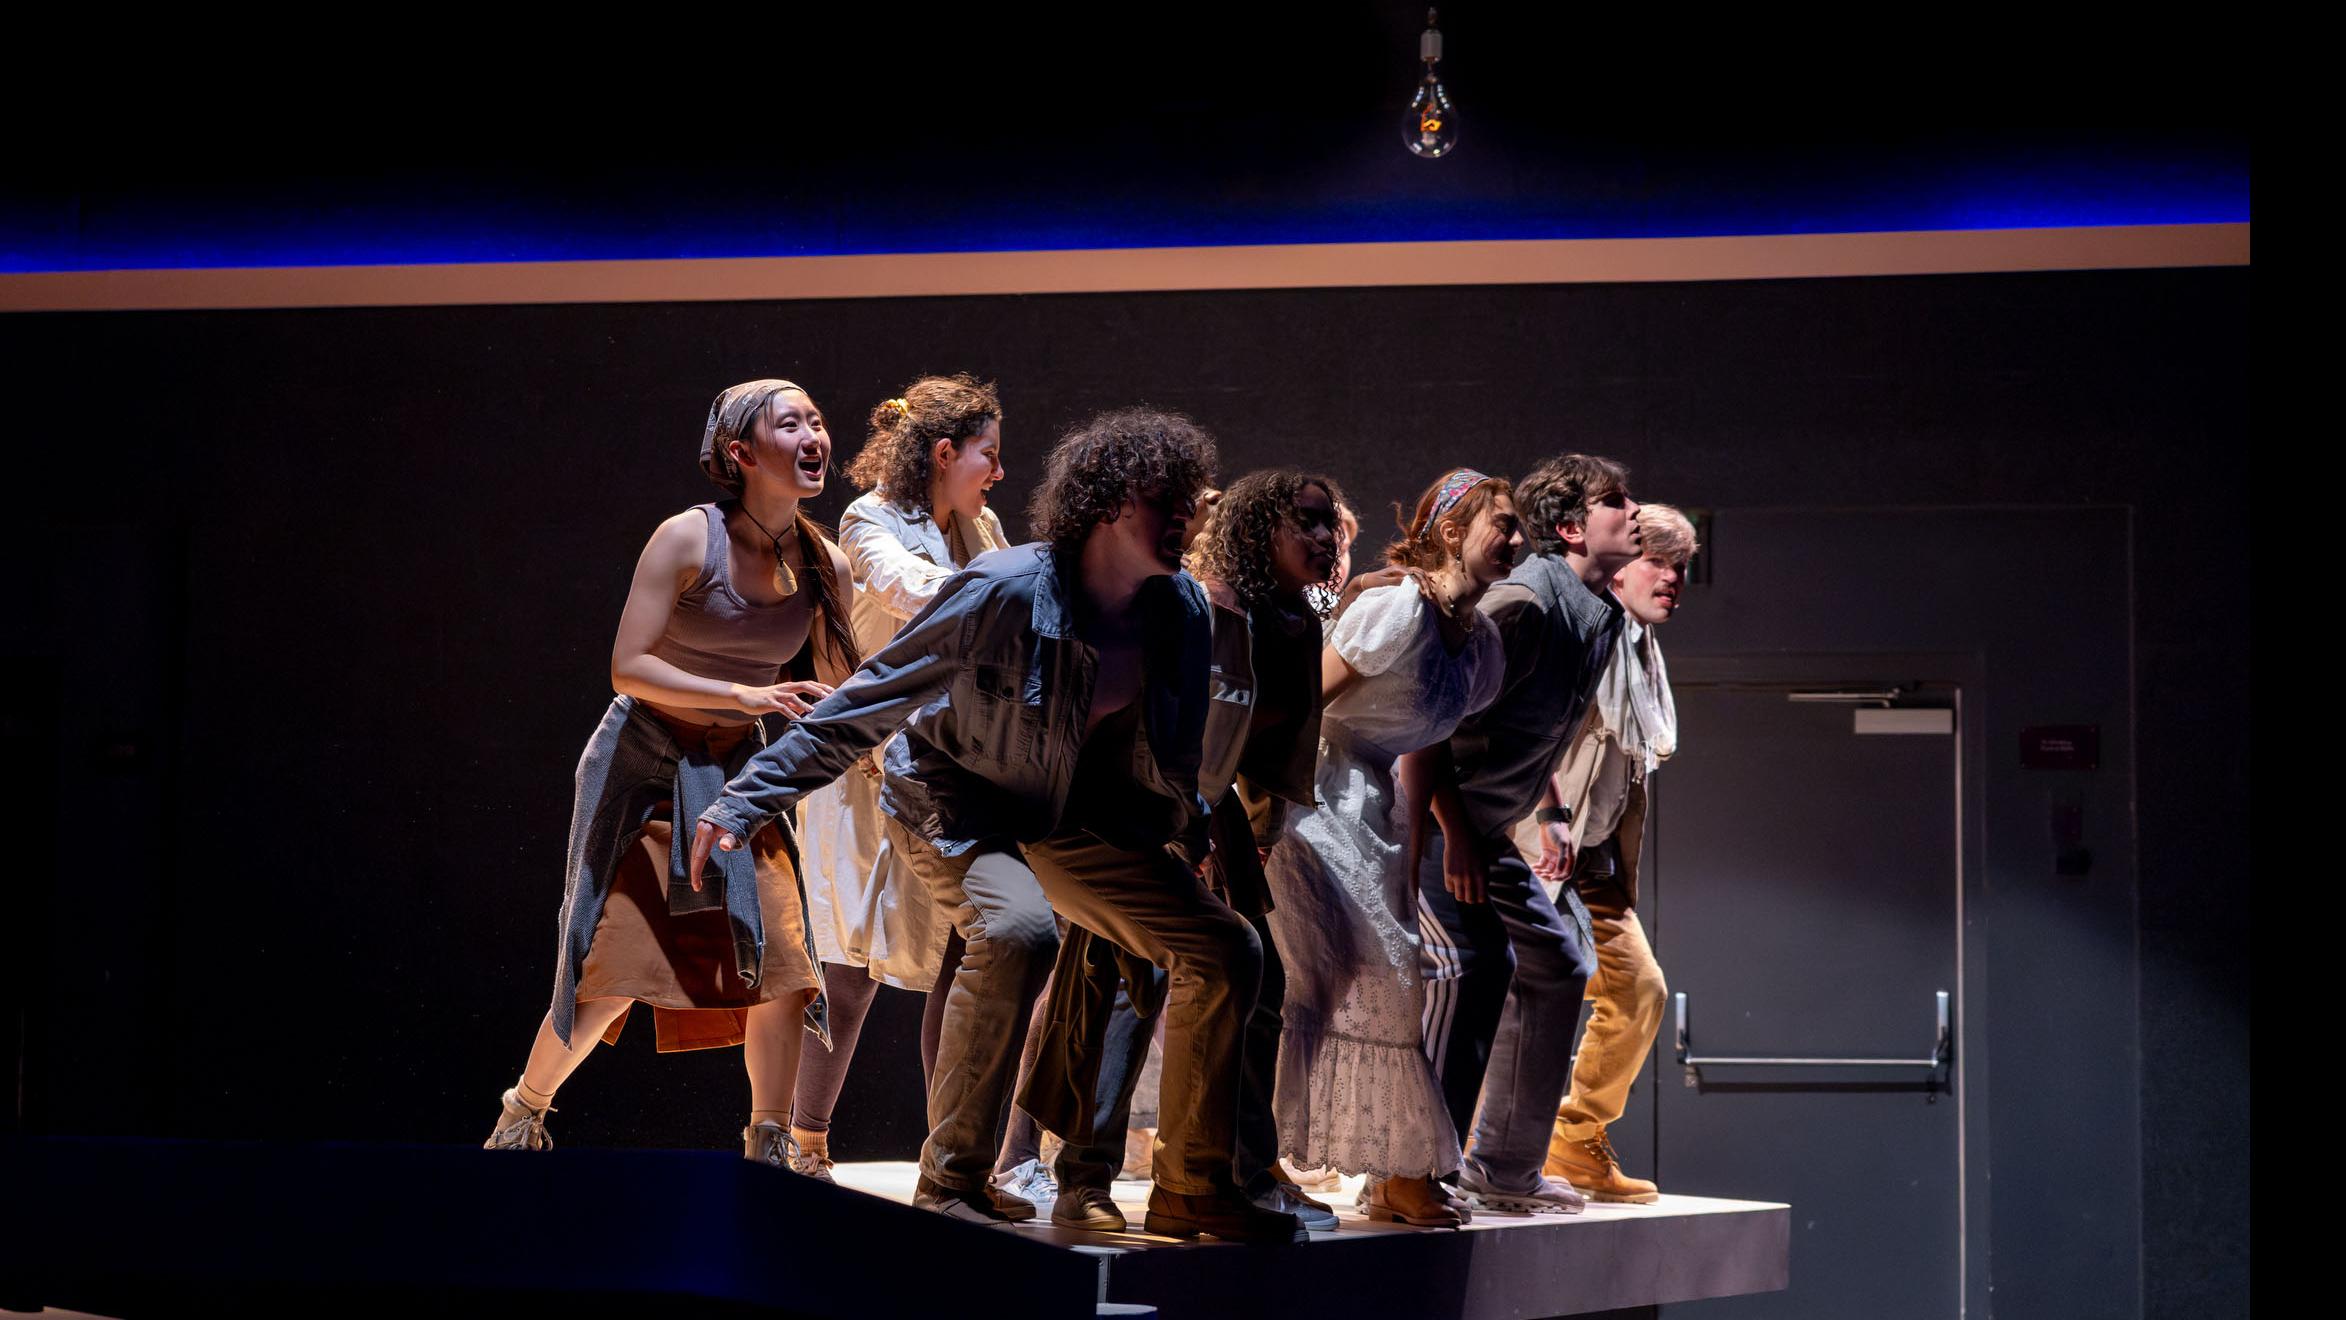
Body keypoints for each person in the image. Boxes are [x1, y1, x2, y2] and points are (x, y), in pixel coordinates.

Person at [692, 410, 1303, 1244]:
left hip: (1073, 813)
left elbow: (1173, 758)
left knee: (1225, 948)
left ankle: (1193, 1186)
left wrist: (1190, 840)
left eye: (1190, 505)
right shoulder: (1007, 588)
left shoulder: (1182, 610)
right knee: (1016, 931)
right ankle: (952, 1181)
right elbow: (868, 701)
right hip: (956, 800)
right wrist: (740, 802)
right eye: (1168, 501)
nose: (1186, 521)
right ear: (1114, 503)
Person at [483, 379, 858, 1169]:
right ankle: (524, 1113)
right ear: (740, 453)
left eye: (816, 420)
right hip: (646, 767)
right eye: (790, 423)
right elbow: (629, 667)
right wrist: (741, 692)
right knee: (616, 964)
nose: (813, 434)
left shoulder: (823, 561)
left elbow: (841, 686)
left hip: (739, 775)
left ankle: (768, 1146)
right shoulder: (688, 539)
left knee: (785, 961)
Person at [1036, 468, 1349, 1233]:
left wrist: (1253, 833)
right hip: (1131, 809)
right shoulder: (1201, 605)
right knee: (1121, 980)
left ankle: (1236, 1169)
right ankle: (1085, 1175)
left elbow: (1274, 749)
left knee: (1259, 982)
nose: (1324, 538)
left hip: (1212, 814)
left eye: (1327, 525)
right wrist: (1172, 827)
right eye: (1304, 523)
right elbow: (1140, 722)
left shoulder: (1293, 622)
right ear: (1257, 528)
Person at [1264, 468, 1519, 1228]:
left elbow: (1428, 748)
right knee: (1320, 974)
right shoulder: (1394, 610)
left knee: (1390, 974)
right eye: (1499, 525)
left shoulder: (1480, 644)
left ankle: (1391, 1173)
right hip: (1311, 790)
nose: (1515, 540)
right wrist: (1255, 815)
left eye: (1517, 528)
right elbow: (1303, 705)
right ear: (1450, 534)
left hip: (1375, 805)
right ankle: (1265, 1158)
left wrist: (1413, 857)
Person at [787, 375, 1011, 1182]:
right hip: (864, 767)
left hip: (948, 765)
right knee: (847, 971)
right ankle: (802, 1141)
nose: (997, 470)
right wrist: (1011, 589)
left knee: (961, 960)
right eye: (988, 452)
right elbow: (904, 589)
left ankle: (952, 1157)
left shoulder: (981, 526)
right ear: (945, 453)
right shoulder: (870, 518)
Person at [1409, 453, 1641, 1215]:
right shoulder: (1527, 605)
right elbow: (1433, 724)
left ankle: (1502, 1170)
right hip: (1438, 816)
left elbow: (1525, 729)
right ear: (1572, 527)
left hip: (1487, 825)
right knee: (1476, 971)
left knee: (1558, 966)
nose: (1633, 513)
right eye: (1617, 502)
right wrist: (1459, 834)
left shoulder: (1596, 612)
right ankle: (1423, 1172)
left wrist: (1549, 807)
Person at [1537, 503, 1697, 1203]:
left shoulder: (1640, 650)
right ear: (1621, 564)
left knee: (1639, 991)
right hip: (1535, 849)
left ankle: (1574, 1140)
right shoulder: (1578, 632)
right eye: (1659, 562)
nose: (1673, 579)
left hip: (1594, 862)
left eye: (1682, 567)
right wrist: (1540, 823)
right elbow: (1526, 737)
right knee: (1524, 995)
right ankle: (1481, 1152)